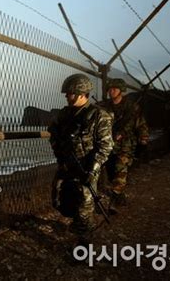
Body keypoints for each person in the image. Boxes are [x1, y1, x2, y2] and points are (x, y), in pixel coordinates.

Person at [48, 73, 113, 241]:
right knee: (59, 200)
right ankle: (76, 223)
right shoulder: (64, 114)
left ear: (81, 93)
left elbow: (105, 147)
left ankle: (84, 244)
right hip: (66, 165)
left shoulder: (99, 115)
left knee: (84, 207)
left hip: (86, 167)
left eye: (69, 93)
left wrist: (92, 171)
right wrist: (59, 152)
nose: (66, 96)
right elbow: (54, 137)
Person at [100, 78, 149, 211]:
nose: (111, 91)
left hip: (126, 145)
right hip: (109, 145)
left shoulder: (132, 107)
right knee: (111, 173)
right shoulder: (105, 107)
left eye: (114, 89)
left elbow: (141, 125)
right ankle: (120, 196)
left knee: (120, 170)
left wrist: (143, 140)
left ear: (121, 90)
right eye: (110, 89)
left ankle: (113, 202)